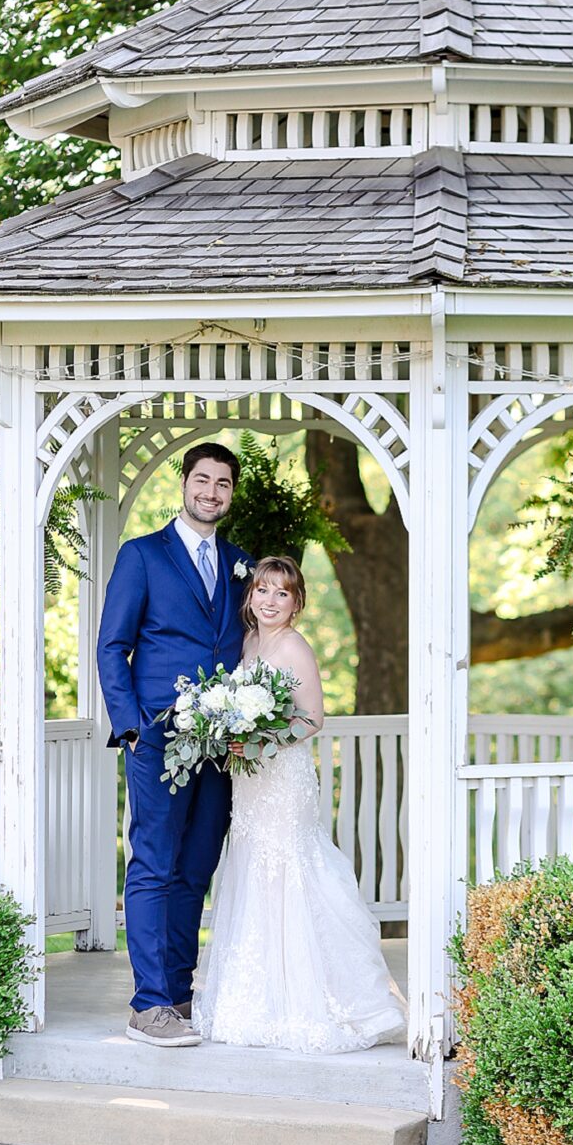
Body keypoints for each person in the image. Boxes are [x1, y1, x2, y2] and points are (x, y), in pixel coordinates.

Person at [193, 555, 408, 1053]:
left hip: (284, 780)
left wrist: (262, 743)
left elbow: (313, 719)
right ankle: (257, 1000)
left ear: (297, 603)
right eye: (263, 590)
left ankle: (311, 1002)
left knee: (289, 868)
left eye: (282, 593)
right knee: (252, 873)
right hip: (249, 783)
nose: (270, 600)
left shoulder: (294, 646)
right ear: (251, 597)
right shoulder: (247, 642)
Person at [96, 441, 254, 1048]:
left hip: (221, 742)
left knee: (195, 869)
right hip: (157, 735)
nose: (211, 492)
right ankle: (148, 1004)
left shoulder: (239, 563)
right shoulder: (142, 556)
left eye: (222, 484)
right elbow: (113, 646)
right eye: (202, 480)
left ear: (230, 494)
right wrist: (132, 726)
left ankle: (179, 993)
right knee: (155, 864)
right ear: (183, 482)